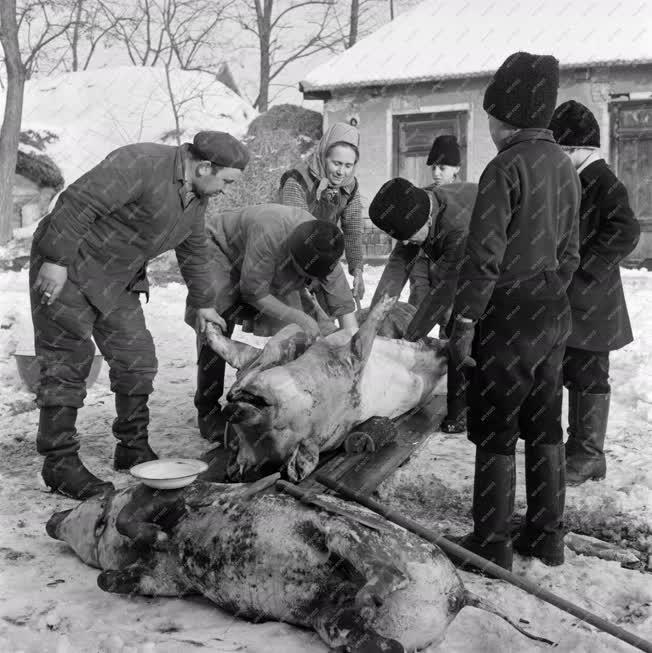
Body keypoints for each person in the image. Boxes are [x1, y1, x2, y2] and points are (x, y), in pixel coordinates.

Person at [30, 131, 249, 500]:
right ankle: (59, 462)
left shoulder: (196, 195)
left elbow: (194, 250)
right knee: (67, 363)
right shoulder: (141, 163)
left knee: (137, 359)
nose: (225, 189)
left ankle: (132, 446)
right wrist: (54, 259)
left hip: (119, 277)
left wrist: (204, 302)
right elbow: (78, 203)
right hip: (70, 267)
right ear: (205, 166)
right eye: (226, 180)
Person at [448, 51, 581, 571]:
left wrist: (465, 322)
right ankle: (547, 537)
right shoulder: (566, 166)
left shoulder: (503, 167)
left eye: (490, 115)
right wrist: (549, 290)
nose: (489, 125)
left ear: (506, 116)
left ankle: (493, 542)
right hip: (553, 306)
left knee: (496, 425)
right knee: (546, 421)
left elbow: (484, 257)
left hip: (505, 310)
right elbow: (571, 251)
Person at [188, 204, 359, 445]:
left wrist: (356, 350)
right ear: (293, 256)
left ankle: (286, 399)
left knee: (298, 334)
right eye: (303, 275)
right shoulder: (270, 232)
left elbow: (344, 308)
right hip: (222, 249)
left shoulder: (324, 244)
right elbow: (253, 291)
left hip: (269, 259)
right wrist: (299, 317)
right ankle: (207, 410)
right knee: (216, 319)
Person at [548, 100, 640, 486]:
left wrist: (585, 268)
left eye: (566, 150)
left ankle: (588, 455)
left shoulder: (602, 181)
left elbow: (626, 231)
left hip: (594, 300)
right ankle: (575, 450)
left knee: (589, 376)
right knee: (571, 371)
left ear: (586, 149)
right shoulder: (571, 178)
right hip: (575, 298)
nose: (562, 157)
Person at [367, 179, 477, 434]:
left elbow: (443, 292)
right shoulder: (413, 210)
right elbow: (397, 267)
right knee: (453, 328)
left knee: (465, 330)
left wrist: (408, 340)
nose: (404, 243)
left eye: (407, 237)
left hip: (502, 268)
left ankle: (465, 410)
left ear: (427, 220)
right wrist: (373, 321)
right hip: (459, 264)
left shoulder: (458, 225)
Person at [279, 122, 365, 301]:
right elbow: (298, 230)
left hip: (322, 254)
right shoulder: (297, 181)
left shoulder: (350, 187)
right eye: (336, 163)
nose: (342, 172)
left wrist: (357, 270)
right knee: (293, 315)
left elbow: (353, 231)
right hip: (289, 256)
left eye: (348, 165)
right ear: (323, 155)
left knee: (331, 312)